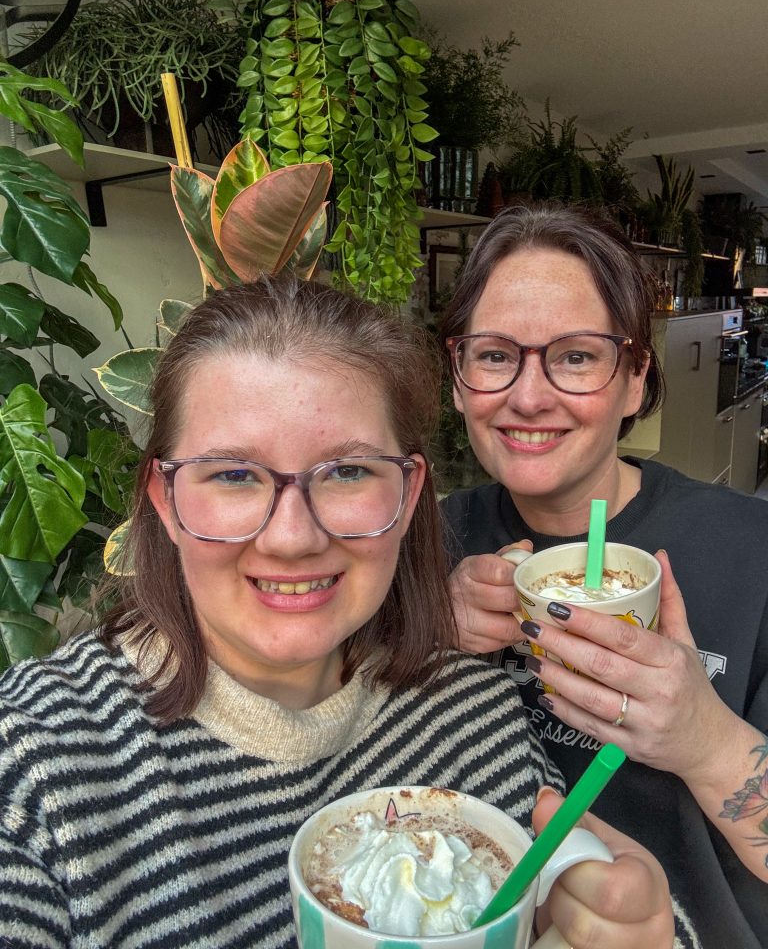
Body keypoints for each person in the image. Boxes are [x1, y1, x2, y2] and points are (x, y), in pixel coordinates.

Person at [0, 275, 695, 949]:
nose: (293, 537)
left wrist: (633, 929)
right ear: (165, 499)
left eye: (348, 471)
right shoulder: (33, 771)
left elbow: (593, 904)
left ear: (408, 492)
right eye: (234, 475)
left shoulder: (470, 699)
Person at [438, 202, 768, 949]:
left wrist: (703, 738)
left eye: (577, 356)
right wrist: (427, 635)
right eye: (495, 355)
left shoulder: (753, 549)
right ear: (458, 379)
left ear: (634, 379)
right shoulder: (428, 544)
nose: (528, 395)